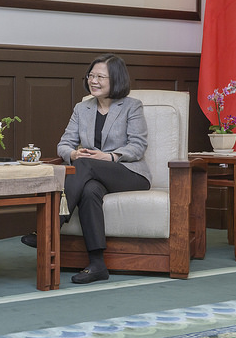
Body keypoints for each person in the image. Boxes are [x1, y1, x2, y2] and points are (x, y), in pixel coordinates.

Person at [21, 53, 151, 284]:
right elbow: (64, 144)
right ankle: (97, 264)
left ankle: (49, 227)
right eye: (91, 76)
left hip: (129, 172)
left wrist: (108, 156)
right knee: (89, 190)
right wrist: (72, 154)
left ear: (116, 79)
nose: (93, 81)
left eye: (100, 77)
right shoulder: (82, 108)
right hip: (93, 174)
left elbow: (138, 146)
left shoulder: (132, 106)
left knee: (84, 165)